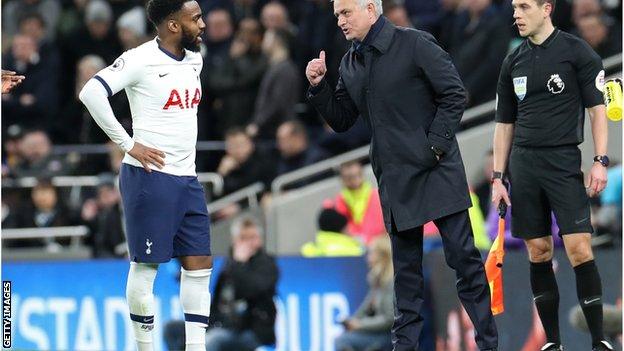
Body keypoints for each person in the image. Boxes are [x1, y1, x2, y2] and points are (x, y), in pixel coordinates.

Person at [305, 0, 498, 350]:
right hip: (395, 180)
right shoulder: (351, 62)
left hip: (436, 172)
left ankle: (488, 344)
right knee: (405, 279)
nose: (340, 22)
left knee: (465, 262)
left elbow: (455, 94)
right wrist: (319, 88)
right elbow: (343, 120)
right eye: (336, 16)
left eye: (346, 13)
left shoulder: (415, 43)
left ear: (370, 8)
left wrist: (434, 148)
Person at [78, 0, 211, 350]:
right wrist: (128, 144)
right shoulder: (139, 59)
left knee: (199, 266)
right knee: (146, 267)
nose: (203, 23)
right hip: (150, 177)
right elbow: (90, 92)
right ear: (172, 25)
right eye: (195, 18)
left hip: (188, 177)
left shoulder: (195, 59)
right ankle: (144, 347)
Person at [491, 0, 612, 350]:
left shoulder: (577, 52)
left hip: (562, 160)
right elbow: (503, 124)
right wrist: (499, 177)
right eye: (514, 7)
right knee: (539, 251)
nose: (516, 14)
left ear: (546, 9)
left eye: (524, 6)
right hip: (524, 165)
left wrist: (600, 159)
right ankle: (553, 343)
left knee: (578, 248)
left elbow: (597, 109)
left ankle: (598, 341)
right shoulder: (512, 61)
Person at [164, 216, 279, 351]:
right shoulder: (229, 264)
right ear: (235, 240)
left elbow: (250, 289)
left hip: (250, 331)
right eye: (243, 238)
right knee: (172, 329)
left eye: (253, 237)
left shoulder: (267, 265)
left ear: (260, 239)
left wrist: (239, 263)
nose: (248, 243)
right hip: (221, 325)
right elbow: (219, 301)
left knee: (212, 340)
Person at [334, 236, 394, 351]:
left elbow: (389, 319)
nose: (368, 259)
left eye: (372, 254)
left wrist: (360, 325)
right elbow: (364, 309)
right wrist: (351, 322)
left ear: (383, 256)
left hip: (387, 336)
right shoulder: (377, 282)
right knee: (343, 338)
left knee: (343, 341)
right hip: (378, 333)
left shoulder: (390, 282)